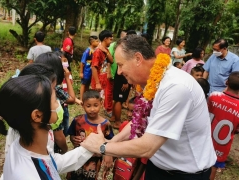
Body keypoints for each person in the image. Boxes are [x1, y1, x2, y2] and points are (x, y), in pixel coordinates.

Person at [81, 35, 216, 180]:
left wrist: (102, 147)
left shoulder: (176, 88)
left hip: (184, 174)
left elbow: (147, 147)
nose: (119, 72)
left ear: (138, 59)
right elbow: (138, 120)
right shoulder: (154, 81)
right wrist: (111, 142)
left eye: (120, 65)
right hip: (158, 166)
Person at [0, 75, 93, 179]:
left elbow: (51, 163)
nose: (59, 104)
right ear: (37, 115)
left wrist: (88, 148)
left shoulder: (18, 147)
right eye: (55, 100)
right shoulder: (35, 175)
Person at [66, 90, 114, 180]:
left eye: (95, 105)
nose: (92, 109)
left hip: (94, 162)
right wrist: (73, 139)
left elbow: (112, 142)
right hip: (77, 158)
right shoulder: (77, 120)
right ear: (83, 105)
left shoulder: (105, 124)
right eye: (88, 106)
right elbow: (72, 135)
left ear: (101, 103)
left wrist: (109, 154)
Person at [35, 52, 76, 154]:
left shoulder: (31, 87)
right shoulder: (54, 89)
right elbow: (71, 99)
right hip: (51, 148)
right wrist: (66, 151)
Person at [208, 71, 239, 180]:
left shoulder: (214, 96)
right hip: (220, 148)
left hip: (205, 140)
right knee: (213, 169)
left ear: (226, 82)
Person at [110, 30, 135, 128]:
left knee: (116, 99)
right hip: (122, 79)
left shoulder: (123, 48)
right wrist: (125, 81)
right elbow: (123, 67)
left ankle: (113, 116)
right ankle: (117, 121)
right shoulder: (127, 50)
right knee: (119, 100)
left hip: (119, 77)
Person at [91, 30, 114, 116]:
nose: (111, 42)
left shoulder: (105, 50)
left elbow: (111, 61)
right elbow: (94, 67)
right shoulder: (98, 51)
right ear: (105, 39)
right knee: (96, 99)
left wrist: (106, 51)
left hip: (104, 79)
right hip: (98, 81)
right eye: (110, 39)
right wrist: (97, 83)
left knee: (102, 98)